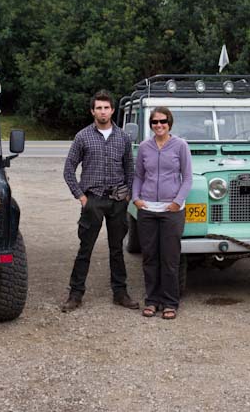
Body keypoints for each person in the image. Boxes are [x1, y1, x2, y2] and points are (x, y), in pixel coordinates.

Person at [61, 90, 139, 312]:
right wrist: (81, 197)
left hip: (117, 201)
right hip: (93, 200)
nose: (103, 111)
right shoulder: (82, 137)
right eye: (99, 108)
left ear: (112, 110)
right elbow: (68, 170)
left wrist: (127, 194)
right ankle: (75, 294)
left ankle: (120, 293)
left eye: (106, 107)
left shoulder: (123, 137)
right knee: (85, 248)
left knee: (117, 249)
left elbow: (129, 169)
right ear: (92, 111)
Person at [132, 106, 192, 320]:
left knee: (169, 258)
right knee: (150, 257)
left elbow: (187, 178)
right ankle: (152, 300)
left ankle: (170, 302)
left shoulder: (180, 146)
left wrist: (177, 202)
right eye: (155, 122)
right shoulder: (145, 147)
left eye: (162, 121)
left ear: (170, 123)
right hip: (147, 209)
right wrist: (136, 199)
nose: (159, 125)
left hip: (171, 211)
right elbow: (138, 175)